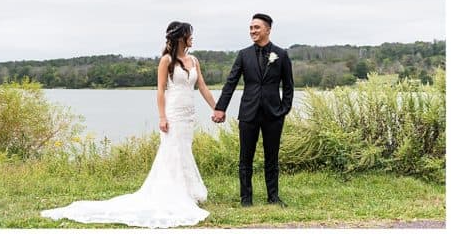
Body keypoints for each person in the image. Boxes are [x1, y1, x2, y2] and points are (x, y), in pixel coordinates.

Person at [42, 21, 216, 227]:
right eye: (189, 34)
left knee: (184, 150)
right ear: (181, 37)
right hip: (173, 113)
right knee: (173, 151)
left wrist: (216, 107)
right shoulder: (166, 61)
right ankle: (173, 192)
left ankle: (186, 190)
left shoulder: (194, 60)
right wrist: (162, 117)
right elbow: (160, 90)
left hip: (189, 114)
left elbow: (202, 86)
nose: (192, 38)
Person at [212, 13, 294, 206]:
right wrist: (220, 108)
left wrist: (284, 109)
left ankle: (273, 197)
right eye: (250, 28)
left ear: (268, 29)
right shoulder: (243, 54)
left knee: (271, 158)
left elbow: (289, 86)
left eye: (256, 27)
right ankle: (246, 199)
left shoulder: (281, 55)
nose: (252, 31)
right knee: (245, 158)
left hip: (274, 114)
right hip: (248, 112)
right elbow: (231, 82)